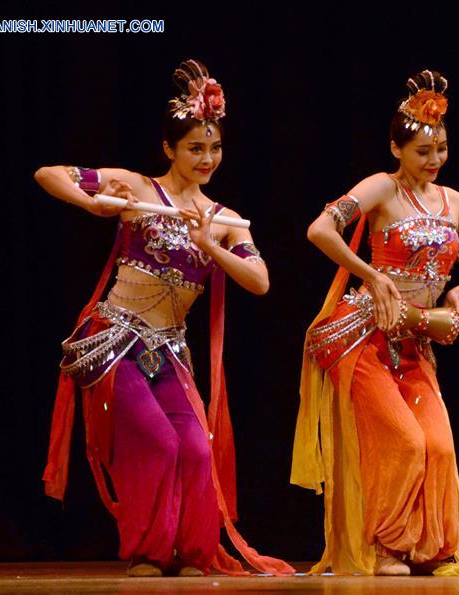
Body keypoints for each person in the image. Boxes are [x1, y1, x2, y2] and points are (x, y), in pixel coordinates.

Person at [36, 59, 293, 577]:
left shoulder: (223, 220)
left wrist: (210, 246)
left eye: (214, 147)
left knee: (197, 451)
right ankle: (148, 553)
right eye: (195, 147)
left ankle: (191, 550)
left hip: (169, 351)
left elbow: (260, 281)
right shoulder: (137, 188)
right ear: (169, 149)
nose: (207, 158)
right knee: (158, 441)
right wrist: (98, 205)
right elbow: (50, 175)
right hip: (115, 341)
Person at [292, 70, 459, 576]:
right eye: (422, 151)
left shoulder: (453, 202)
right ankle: (385, 546)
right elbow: (319, 229)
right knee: (404, 439)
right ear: (396, 148)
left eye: (441, 149)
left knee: (437, 443)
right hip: (364, 335)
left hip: (415, 339)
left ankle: (430, 549)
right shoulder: (381, 187)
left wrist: (458, 292)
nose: (434, 160)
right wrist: (371, 276)